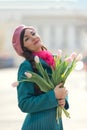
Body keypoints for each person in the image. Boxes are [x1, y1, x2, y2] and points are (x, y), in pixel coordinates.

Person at [12, 24, 69, 130]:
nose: (33, 37)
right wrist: (54, 96)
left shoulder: (56, 60)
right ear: (24, 48)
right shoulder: (27, 66)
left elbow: (61, 89)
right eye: (27, 38)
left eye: (33, 33)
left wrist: (63, 99)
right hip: (37, 125)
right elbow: (24, 104)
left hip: (56, 124)